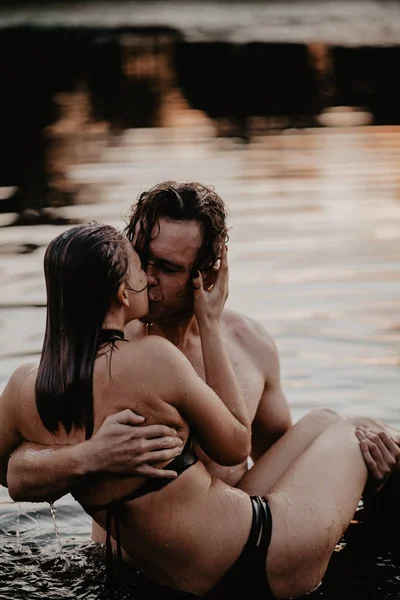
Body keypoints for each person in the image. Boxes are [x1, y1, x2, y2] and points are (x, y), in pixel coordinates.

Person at [1, 222, 399, 599]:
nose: (151, 280)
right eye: (142, 267)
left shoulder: (25, 384)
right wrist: (211, 324)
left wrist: (59, 459)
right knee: (357, 429)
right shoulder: (154, 358)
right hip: (263, 555)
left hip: (198, 569)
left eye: (167, 268)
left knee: (325, 421)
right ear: (123, 293)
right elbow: (234, 445)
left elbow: (7, 470)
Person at [5, 182, 291, 506]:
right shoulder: (101, 353)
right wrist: (88, 456)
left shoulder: (250, 345)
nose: (147, 276)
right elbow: (14, 469)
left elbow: (280, 464)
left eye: (167, 267)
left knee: (354, 434)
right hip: (118, 554)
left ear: (207, 277)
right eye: (141, 258)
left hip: (230, 539)